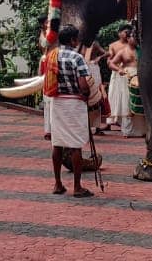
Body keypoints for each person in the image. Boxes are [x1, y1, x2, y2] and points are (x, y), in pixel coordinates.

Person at [44, 26, 94, 198]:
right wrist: (87, 95)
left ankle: (58, 184)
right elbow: (83, 85)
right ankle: (77, 187)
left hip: (57, 102)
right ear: (73, 40)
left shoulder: (51, 55)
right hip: (74, 103)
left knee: (57, 144)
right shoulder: (77, 57)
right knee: (75, 145)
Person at [105, 26, 133, 130]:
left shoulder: (131, 44)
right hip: (117, 72)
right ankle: (110, 122)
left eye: (128, 32)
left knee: (126, 96)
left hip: (128, 72)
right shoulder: (113, 45)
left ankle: (125, 123)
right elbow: (110, 59)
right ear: (119, 33)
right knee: (113, 95)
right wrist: (109, 61)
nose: (127, 34)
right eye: (125, 32)